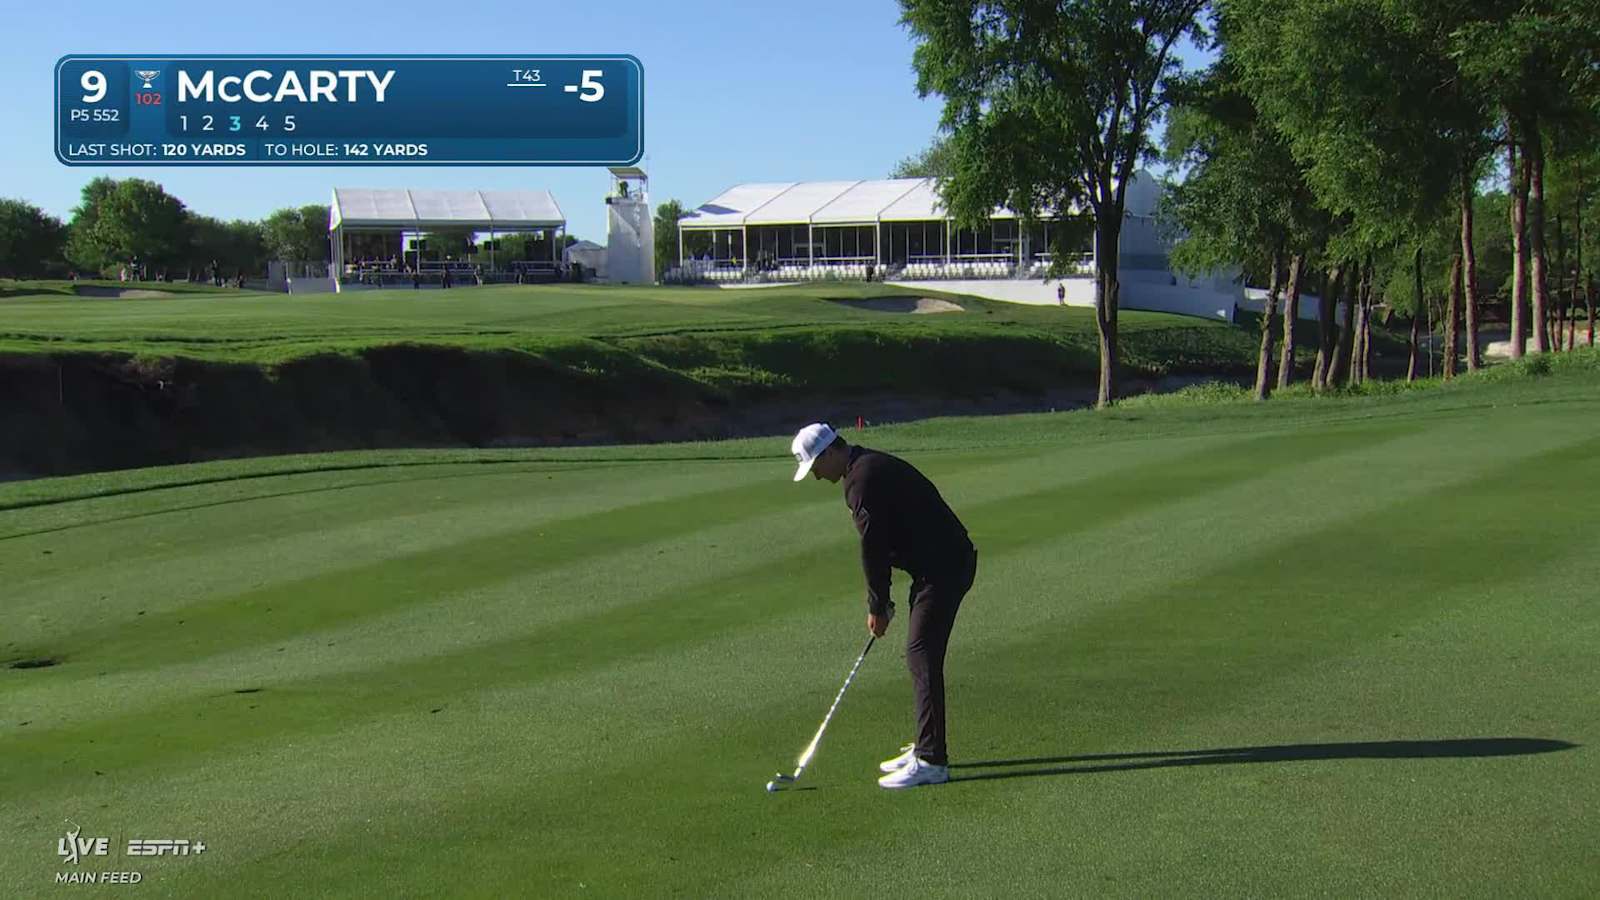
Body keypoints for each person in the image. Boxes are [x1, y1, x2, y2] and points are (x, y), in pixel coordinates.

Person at [790, 422, 977, 789]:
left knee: (921, 654)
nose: (814, 476)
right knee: (919, 654)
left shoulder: (862, 479)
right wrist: (885, 599)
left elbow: (872, 548)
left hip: (944, 568)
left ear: (829, 452)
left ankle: (932, 761)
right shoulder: (864, 468)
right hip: (935, 566)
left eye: (814, 466)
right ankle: (926, 746)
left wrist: (877, 606)